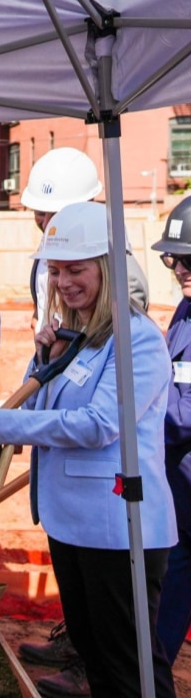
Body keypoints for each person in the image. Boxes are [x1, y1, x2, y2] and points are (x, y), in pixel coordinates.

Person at [0, 201, 177, 698]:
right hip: (74, 524)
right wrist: (43, 359)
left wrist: (6, 423)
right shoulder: (81, 338)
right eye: (56, 270)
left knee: (130, 666)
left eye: (76, 269)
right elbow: (40, 400)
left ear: (106, 266)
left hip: (119, 529)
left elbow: (100, 424)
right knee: (97, 659)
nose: (64, 282)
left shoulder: (135, 341)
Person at [21, 146, 148, 330]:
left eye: (57, 213)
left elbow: (122, 342)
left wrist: (70, 353)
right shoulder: (49, 247)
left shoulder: (123, 274)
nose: (48, 223)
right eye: (40, 212)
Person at [151, 197, 191, 668]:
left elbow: (183, 415)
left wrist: (130, 414)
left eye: (189, 259)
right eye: (173, 259)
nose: (180, 268)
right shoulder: (185, 308)